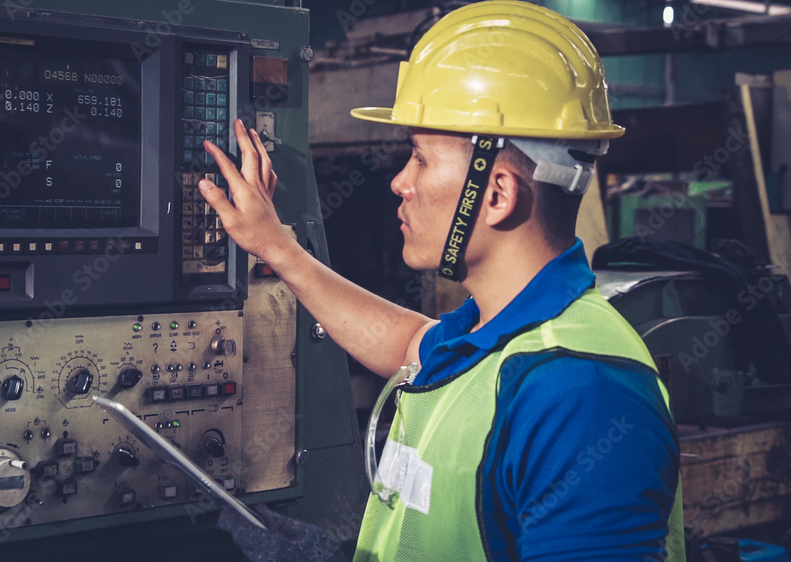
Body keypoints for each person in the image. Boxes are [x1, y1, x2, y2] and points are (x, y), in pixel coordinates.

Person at [203, 1, 685, 560]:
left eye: (420, 159)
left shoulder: (581, 394)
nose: (400, 183)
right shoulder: (499, 338)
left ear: (498, 193)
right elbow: (407, 343)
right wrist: (276, 247)